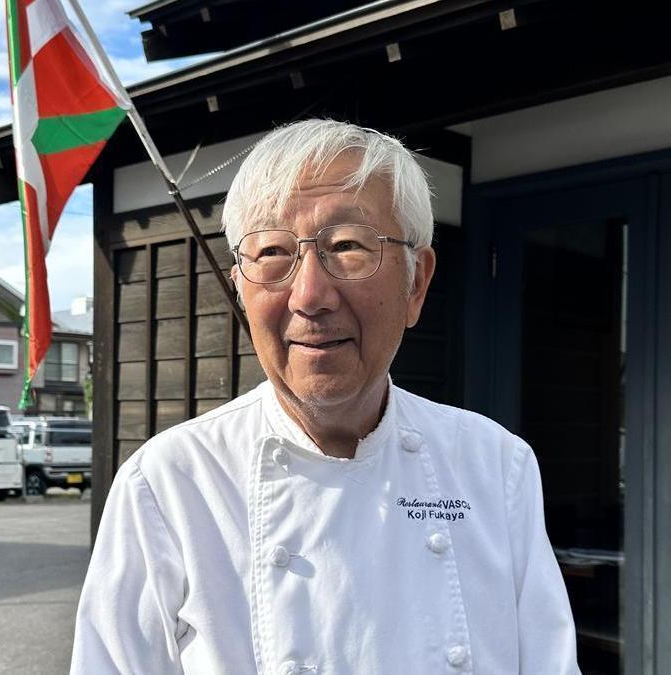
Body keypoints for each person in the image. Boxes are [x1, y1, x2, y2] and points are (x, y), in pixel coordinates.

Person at [71, 119, 579, 674]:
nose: (310, 296)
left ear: (416, 284)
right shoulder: (169, 484)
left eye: (348, 246)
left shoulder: (495, 465)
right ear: (241, 287)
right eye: (271, 254)